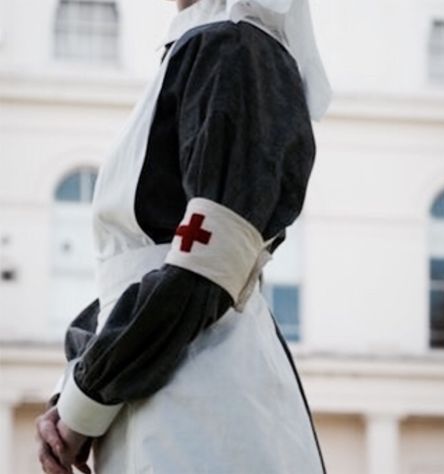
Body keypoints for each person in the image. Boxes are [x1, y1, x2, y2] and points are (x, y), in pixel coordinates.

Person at [35, 0, 333, 473]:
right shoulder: (202, 45)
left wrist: (84, 400)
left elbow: (203, 270)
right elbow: (137, 270)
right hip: (155, 385)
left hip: (198, 395)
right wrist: (77, 389)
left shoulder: (234, 46)